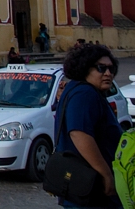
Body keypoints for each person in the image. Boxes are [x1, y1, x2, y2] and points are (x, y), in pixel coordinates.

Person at [53, 43, 123, 208]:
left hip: (83, 185)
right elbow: (79, 134)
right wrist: (106, 174)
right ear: (85, 68)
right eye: (101, 68)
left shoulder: (75, 89)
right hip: (92, 186)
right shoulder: (85, 93)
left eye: (111, 69)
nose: (108, 73)